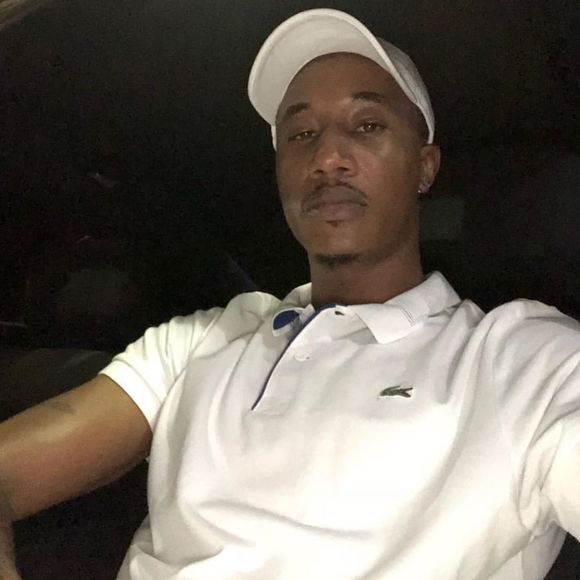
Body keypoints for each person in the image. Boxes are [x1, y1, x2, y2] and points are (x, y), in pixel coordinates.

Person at [1, 8, 579, 579]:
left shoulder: (522, 361)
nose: (327, 158)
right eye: (301, 134)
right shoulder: (205, 340)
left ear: (425, 167)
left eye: (367, 126)